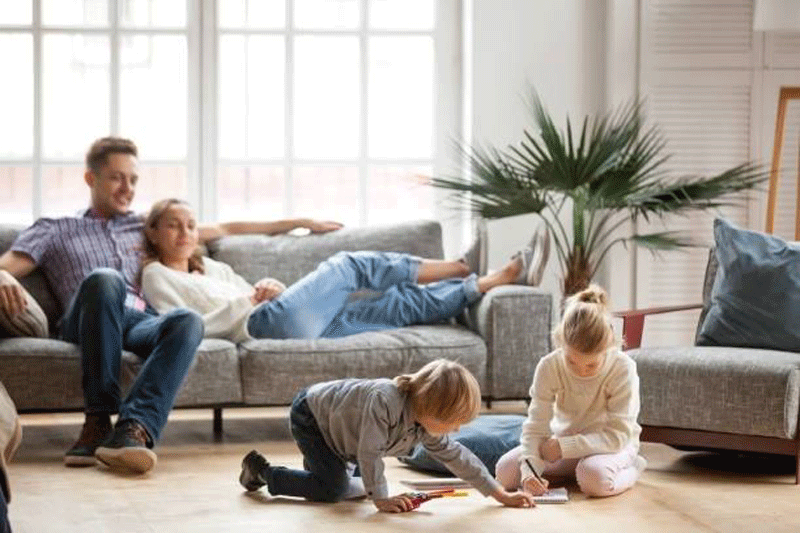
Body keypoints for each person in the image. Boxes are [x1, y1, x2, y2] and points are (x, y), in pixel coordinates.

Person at [0, 137, 342, 474]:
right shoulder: (55, 228)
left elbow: (226, 227)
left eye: (133, 179)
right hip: (87, 318)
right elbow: (10, 264)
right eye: (117, 177)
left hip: (137, 320)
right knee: (106, 279)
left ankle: (133, 431)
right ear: (91, 179)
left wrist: (300, 222)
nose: (127, 188)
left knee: (187, 321)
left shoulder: (145, 225)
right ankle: (97, 421)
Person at [139, 199, 546, 342]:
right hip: (261, 325)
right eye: (173, 225)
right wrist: (249, 301)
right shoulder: (157, 275)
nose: (185, 233)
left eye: (191, 225)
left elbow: (254, 290)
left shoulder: (211, 266)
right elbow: (181, 325)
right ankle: (460, 264)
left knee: (395, 306)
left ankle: (490, 280)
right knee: (349, 265)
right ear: (154, 232)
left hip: (287, 320)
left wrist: (269, 285)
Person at [238, 359, 535, 512]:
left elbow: (460, 458)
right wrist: (381, 499)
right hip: (313, 418)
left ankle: (320, 472)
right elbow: (370, 453)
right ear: (430, 408)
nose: (455, 430)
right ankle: (263, 472)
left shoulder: (425, 424)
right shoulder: (385, 400)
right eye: (451, 422)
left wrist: (500, 494)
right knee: (334, 490)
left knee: (347, 487)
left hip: (344, 436)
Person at [495, 285, 646, 498]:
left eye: (591, 365)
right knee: (505, 473)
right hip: (564, 444)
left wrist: (563, 447)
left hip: (612, 445)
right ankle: (572, 472)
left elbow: (617, 436)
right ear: (560, 341)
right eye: (572, 362)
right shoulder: (549, 366)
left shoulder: (623, 368)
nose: (581, 371)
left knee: (593, 479)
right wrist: (530, 474)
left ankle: (633, 468)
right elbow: (535, 428)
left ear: (609, 346)